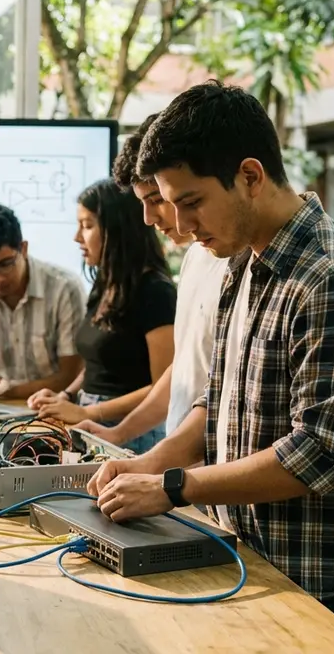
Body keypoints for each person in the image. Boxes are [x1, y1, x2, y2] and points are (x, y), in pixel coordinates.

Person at [89, 80, 334, 643]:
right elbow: (220, 398)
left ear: (250, 176)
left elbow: (319, 456)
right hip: (244, 559)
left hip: (318, 584)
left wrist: (173, 486)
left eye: (191, 203)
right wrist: (148, 463)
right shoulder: (242, 265)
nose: (180, 227)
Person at [70, 114, 230, 450]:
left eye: (157, 200)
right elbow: (181, 372)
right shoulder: (195, 259)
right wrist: (118, 433)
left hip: (198, 462)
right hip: (178, 455)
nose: (149, 218)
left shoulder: (159, 288)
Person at [26, 180, 176, 455]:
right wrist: (66, 396)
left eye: (87, 225)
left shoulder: (156, 292)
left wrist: (91, 410)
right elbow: (98, 361)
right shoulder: (106, 284)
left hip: (132, 433)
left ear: (117, 230)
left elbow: (163, 386)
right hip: (92, 420)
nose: (77, 237)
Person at [0, 202, 85, 399]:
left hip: (56, 408)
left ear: (23, 248)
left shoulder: (65, 288)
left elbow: (70, 377)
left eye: (5, 264)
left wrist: (8, 392)